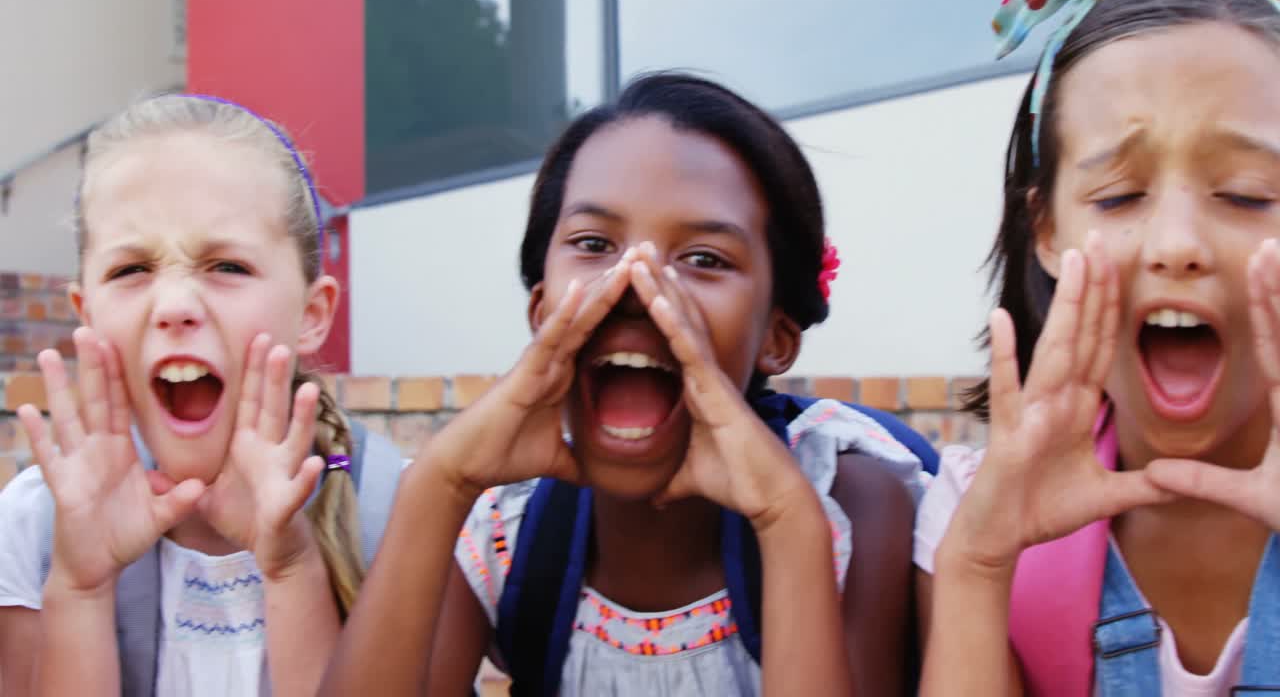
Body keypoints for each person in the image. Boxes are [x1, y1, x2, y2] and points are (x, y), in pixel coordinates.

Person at [321, 73, 935, 696]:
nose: (637, 287)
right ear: (540, 311)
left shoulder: (846, 503)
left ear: (777, 336)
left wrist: (786, 524)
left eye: (703, 258)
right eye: (594, 244)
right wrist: (439, 483)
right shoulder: (503, 532)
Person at [915, 0, 1280, 693]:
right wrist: (979, 565)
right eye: (1118, 196)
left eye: (1246, 193)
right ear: (1046, 232)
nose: (1177, 246)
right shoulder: (972, 512)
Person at [0, 95, 404, 697]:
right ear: (85, 314)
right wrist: (81, 586)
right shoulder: (36, 521)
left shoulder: (395, 513)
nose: (176, 307)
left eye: (227, 266)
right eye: (131, 269)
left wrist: (292, 567)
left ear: (312, 314)